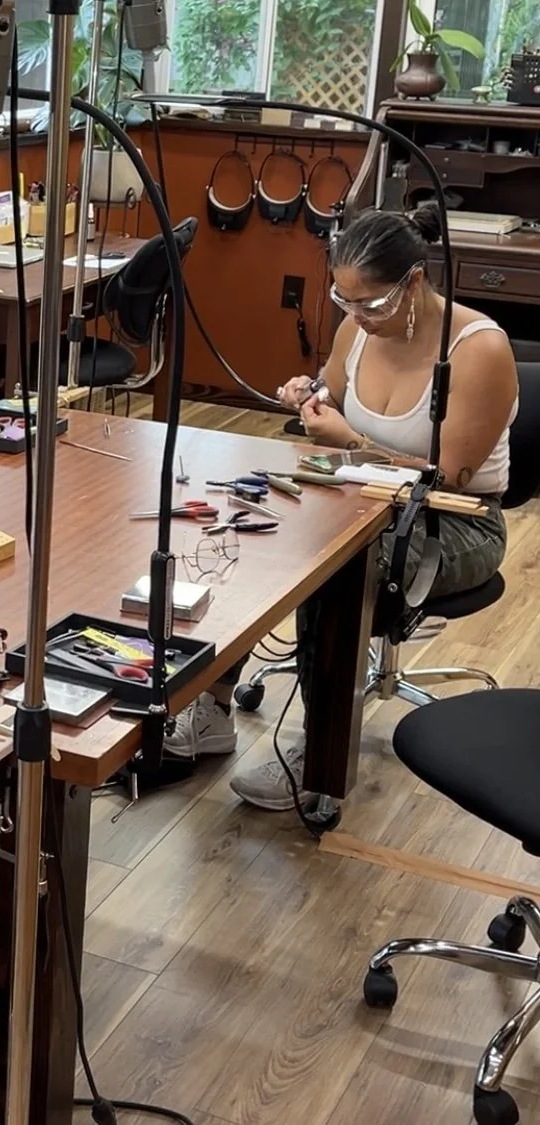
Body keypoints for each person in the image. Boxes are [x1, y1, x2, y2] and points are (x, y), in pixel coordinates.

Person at [161, 204, 518, 811]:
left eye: (372, 304)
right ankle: (212, 708)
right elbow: (334, 398)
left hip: (455, 521)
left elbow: (451, 478)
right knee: (247, 526)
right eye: (343, 301)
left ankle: (318, 753)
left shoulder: (478, 349)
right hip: (360, 498)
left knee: (329, 568)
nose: (356, 317)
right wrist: (309, 398)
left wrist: (350, 442)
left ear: (414, 281)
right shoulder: (358, 330)